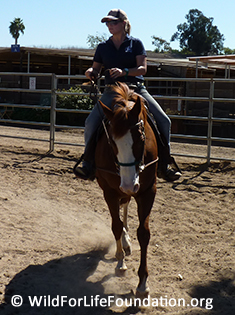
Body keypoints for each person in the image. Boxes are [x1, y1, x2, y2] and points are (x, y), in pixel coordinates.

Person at [74, 9, 181, 182]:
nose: (110, 26)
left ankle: (165, 164)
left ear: (123, 23)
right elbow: (95, 68)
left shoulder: (136, 44)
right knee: (90, 122)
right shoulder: (102, 47)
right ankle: (88, 163)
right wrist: (90, 72)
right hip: (111, 91)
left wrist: (124, 71)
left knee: (164, 121)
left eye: (113, 22)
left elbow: (142, 69)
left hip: (136, 89)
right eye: (107, 23)